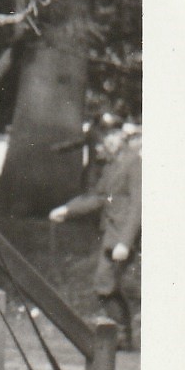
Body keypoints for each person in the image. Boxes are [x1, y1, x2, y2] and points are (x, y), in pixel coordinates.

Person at [49, 120, 142, 350]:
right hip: (112, 235)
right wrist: (67, 210)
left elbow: (138, 206)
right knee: (104, 285)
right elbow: (98, 197)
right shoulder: (112, 165)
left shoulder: (135, 163)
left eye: (109, 138)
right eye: (103, 139)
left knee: (127, 287)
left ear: (120, 138)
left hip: (128, 238)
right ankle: (122, 336)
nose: (103, 144)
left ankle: (136, 337)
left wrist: (125, 242)